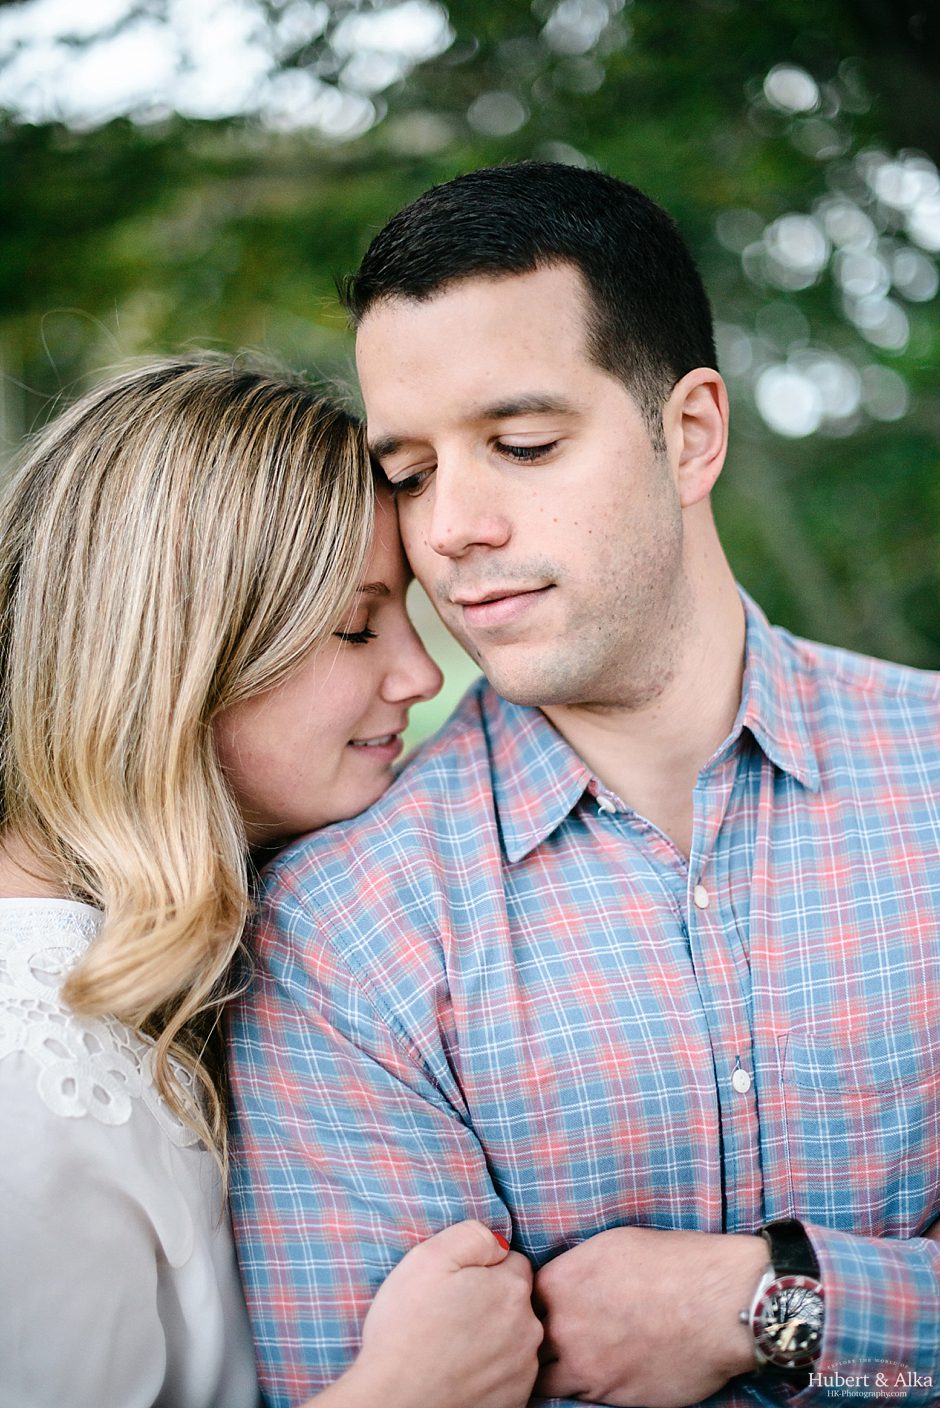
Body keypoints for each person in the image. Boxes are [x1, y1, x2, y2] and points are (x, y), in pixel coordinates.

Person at [228, 162, 940, 1408]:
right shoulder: (341, 928)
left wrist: (777, 1303)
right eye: (408, 472)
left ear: (689, 434)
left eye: (520, 443)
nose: (451, 527)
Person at [0, 356, 543, 1408]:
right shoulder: (35, 1080)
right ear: (174, 653)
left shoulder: (148, 960)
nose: (422, 676)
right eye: (357, 623)